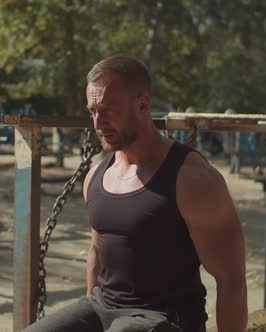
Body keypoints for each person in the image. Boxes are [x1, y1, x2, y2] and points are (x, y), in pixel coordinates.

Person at [24, 55, 247, 332]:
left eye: (107, 110)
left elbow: (231, 278)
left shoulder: (192, 179)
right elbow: (97, 251)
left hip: (166, 319)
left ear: (142, 104)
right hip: (105, 310)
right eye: (92, 111)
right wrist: (93, 315)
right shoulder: (96, 177)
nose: (97, 122)